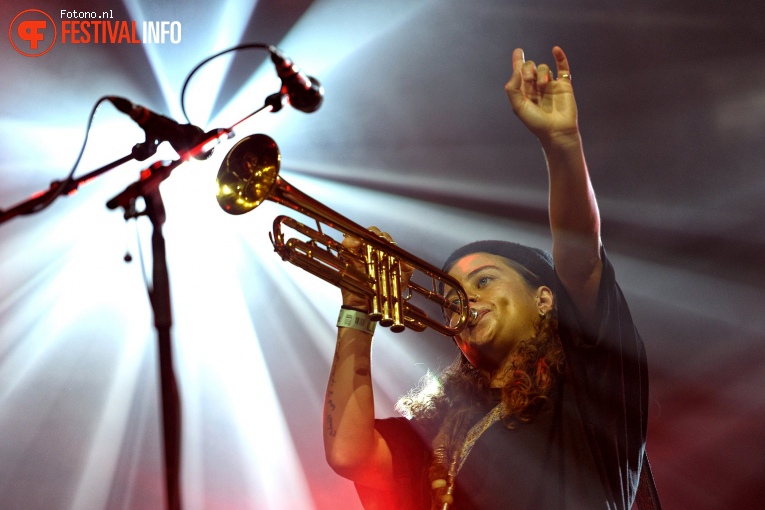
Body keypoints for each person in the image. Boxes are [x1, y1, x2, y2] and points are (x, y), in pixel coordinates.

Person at [323, 46, 648, 510]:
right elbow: (348, 454)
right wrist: (356, 310)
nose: (462, 297)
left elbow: (580, 255)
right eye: (453, 294)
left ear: (544, 299)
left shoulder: (586, 384)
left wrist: (562, 146)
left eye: (484, 281)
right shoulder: (440, 432)